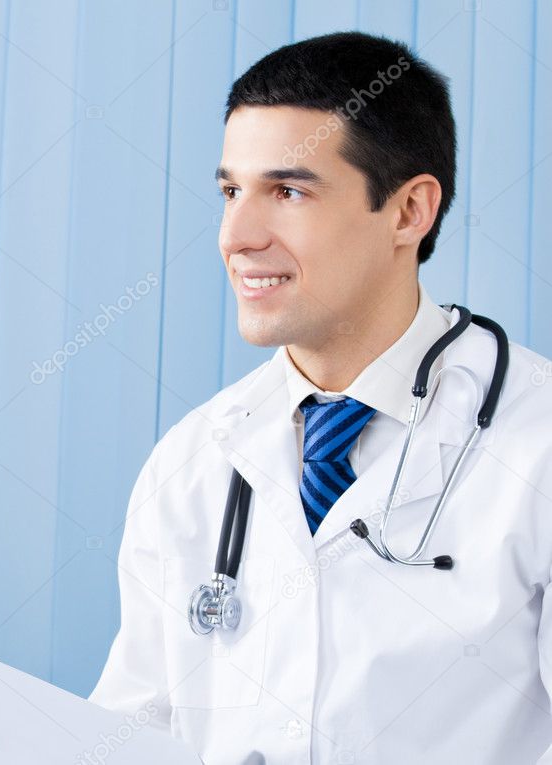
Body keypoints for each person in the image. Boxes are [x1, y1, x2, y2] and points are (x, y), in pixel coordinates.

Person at [88, 30, 552, 763]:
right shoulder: (192, 458)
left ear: (407, 212)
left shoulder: (537, 442)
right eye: (230, 191)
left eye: (288, 191)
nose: (235, 235)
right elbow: (133, 730)